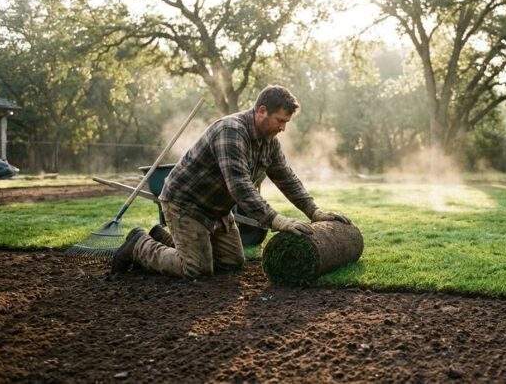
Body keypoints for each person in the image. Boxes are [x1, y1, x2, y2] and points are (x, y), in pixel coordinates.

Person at [110, 85, 350, 278]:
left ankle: (163, 237)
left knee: (232, 263)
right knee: (196, 269)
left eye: (286, 122)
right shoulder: (231, 131)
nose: (283, 128)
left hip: (218, 210)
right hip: (186, 204)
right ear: (261, 111)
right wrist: (276, 220)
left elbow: (287, 178)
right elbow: (240, 186)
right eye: (280, 120)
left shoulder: (269, 141)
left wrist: (314, 211)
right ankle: (139, 244)